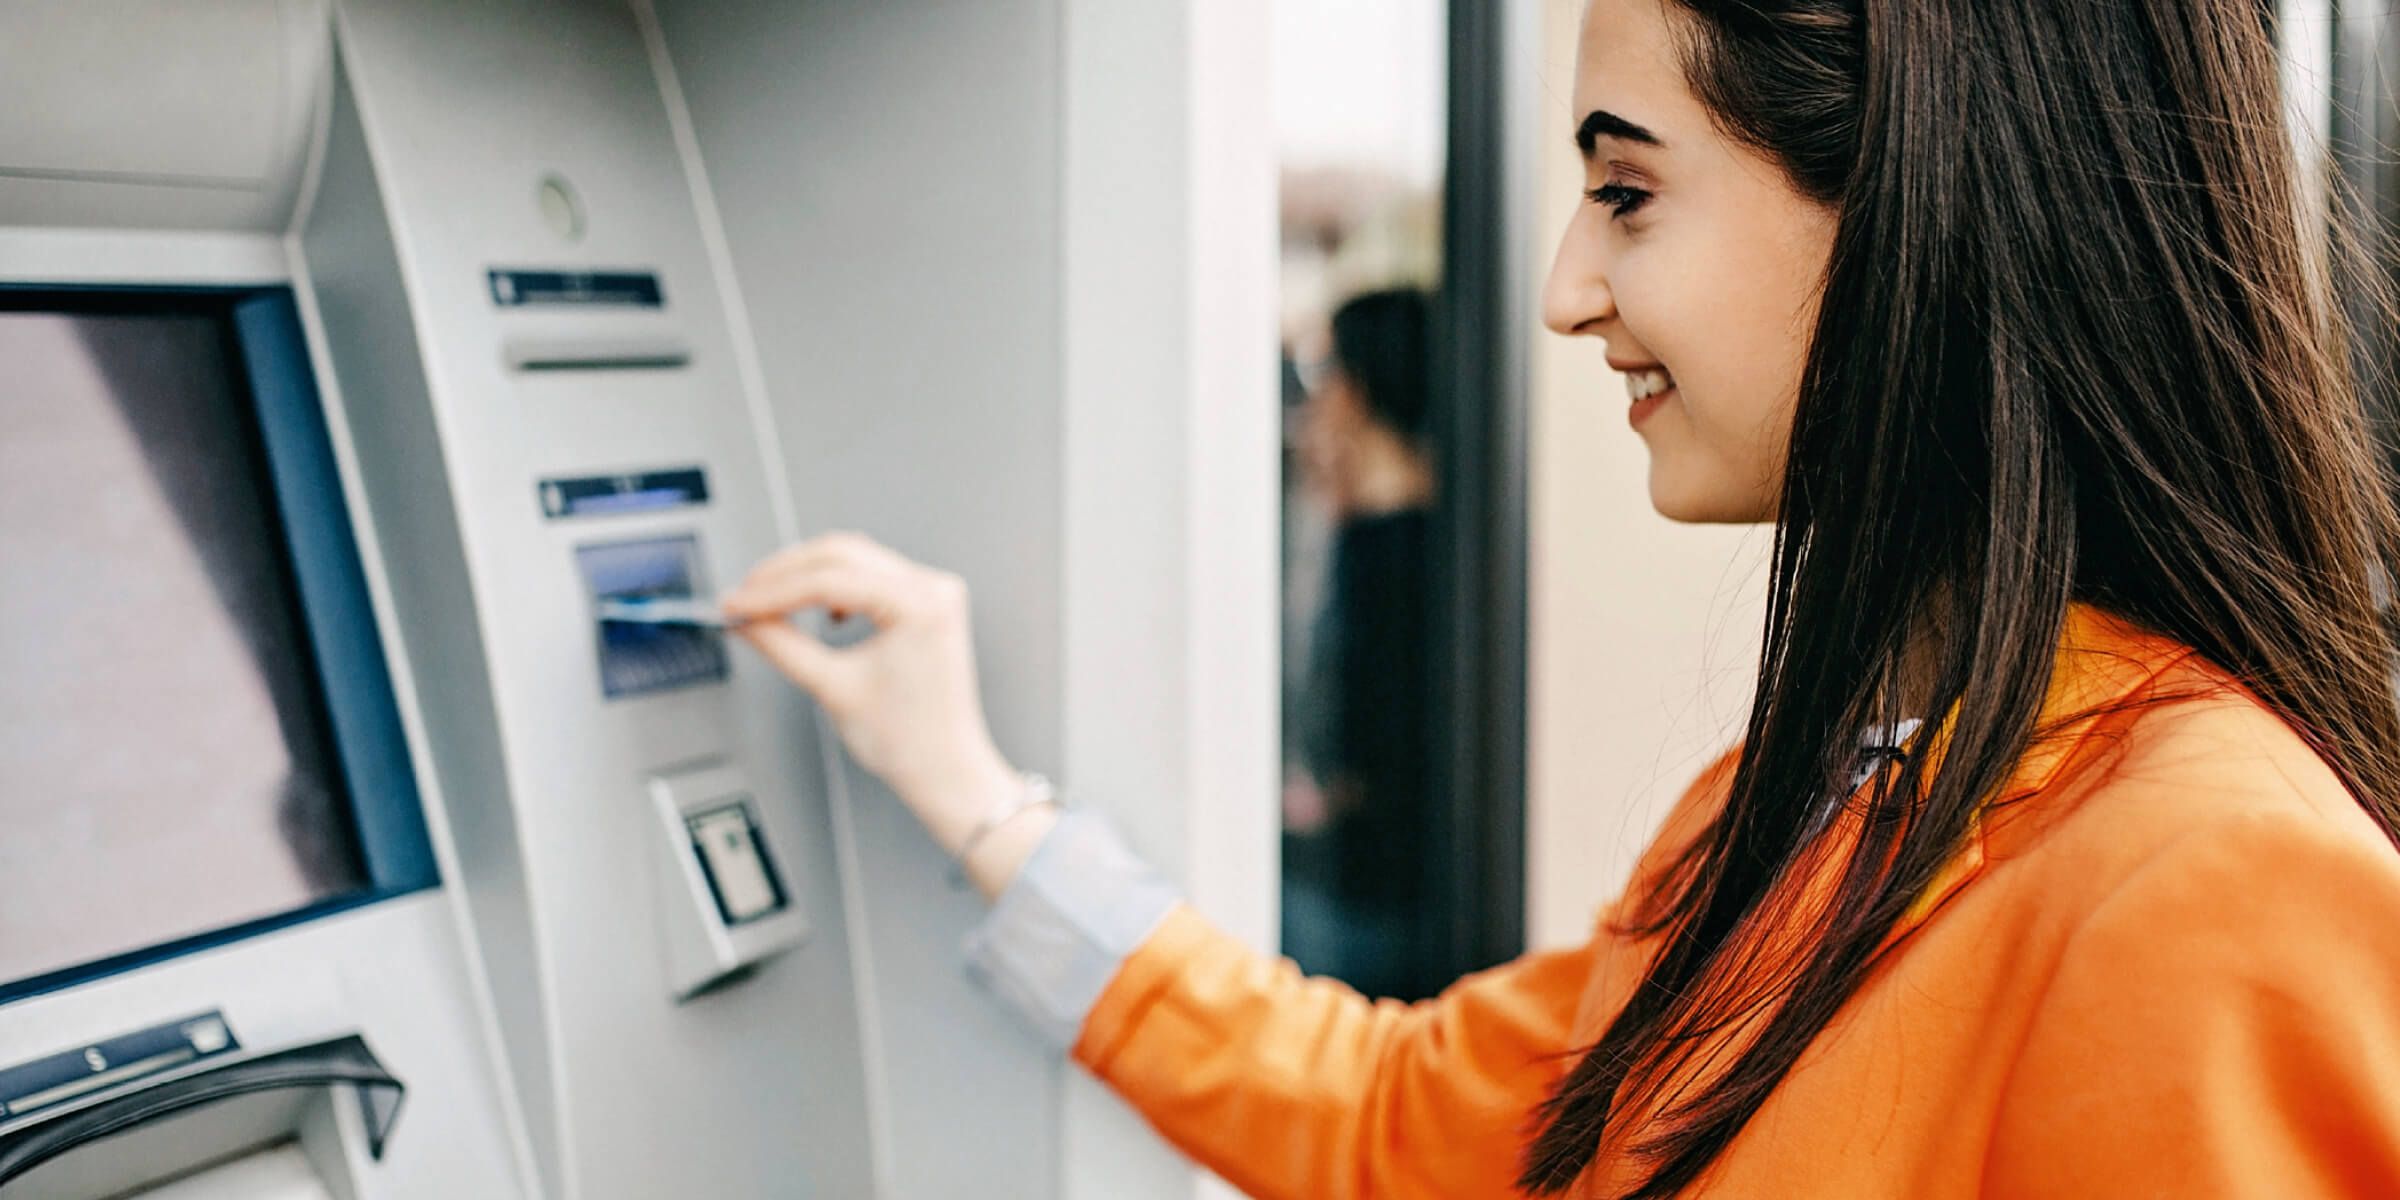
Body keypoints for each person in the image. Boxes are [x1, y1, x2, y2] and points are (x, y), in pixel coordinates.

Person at [720, 0, 2400, 1195]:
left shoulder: (2213, 881)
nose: (1562, 290)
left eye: (1628, 192)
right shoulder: (1801, 804)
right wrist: (972, 799)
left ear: (1912, 196)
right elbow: (1392, 1119)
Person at [1283, 288, 1444, 1000]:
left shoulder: (1396, 555)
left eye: (1328, 377)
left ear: (1356, 389)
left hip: (1381, 908)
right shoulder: (1385, 536)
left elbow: (1374, 757)